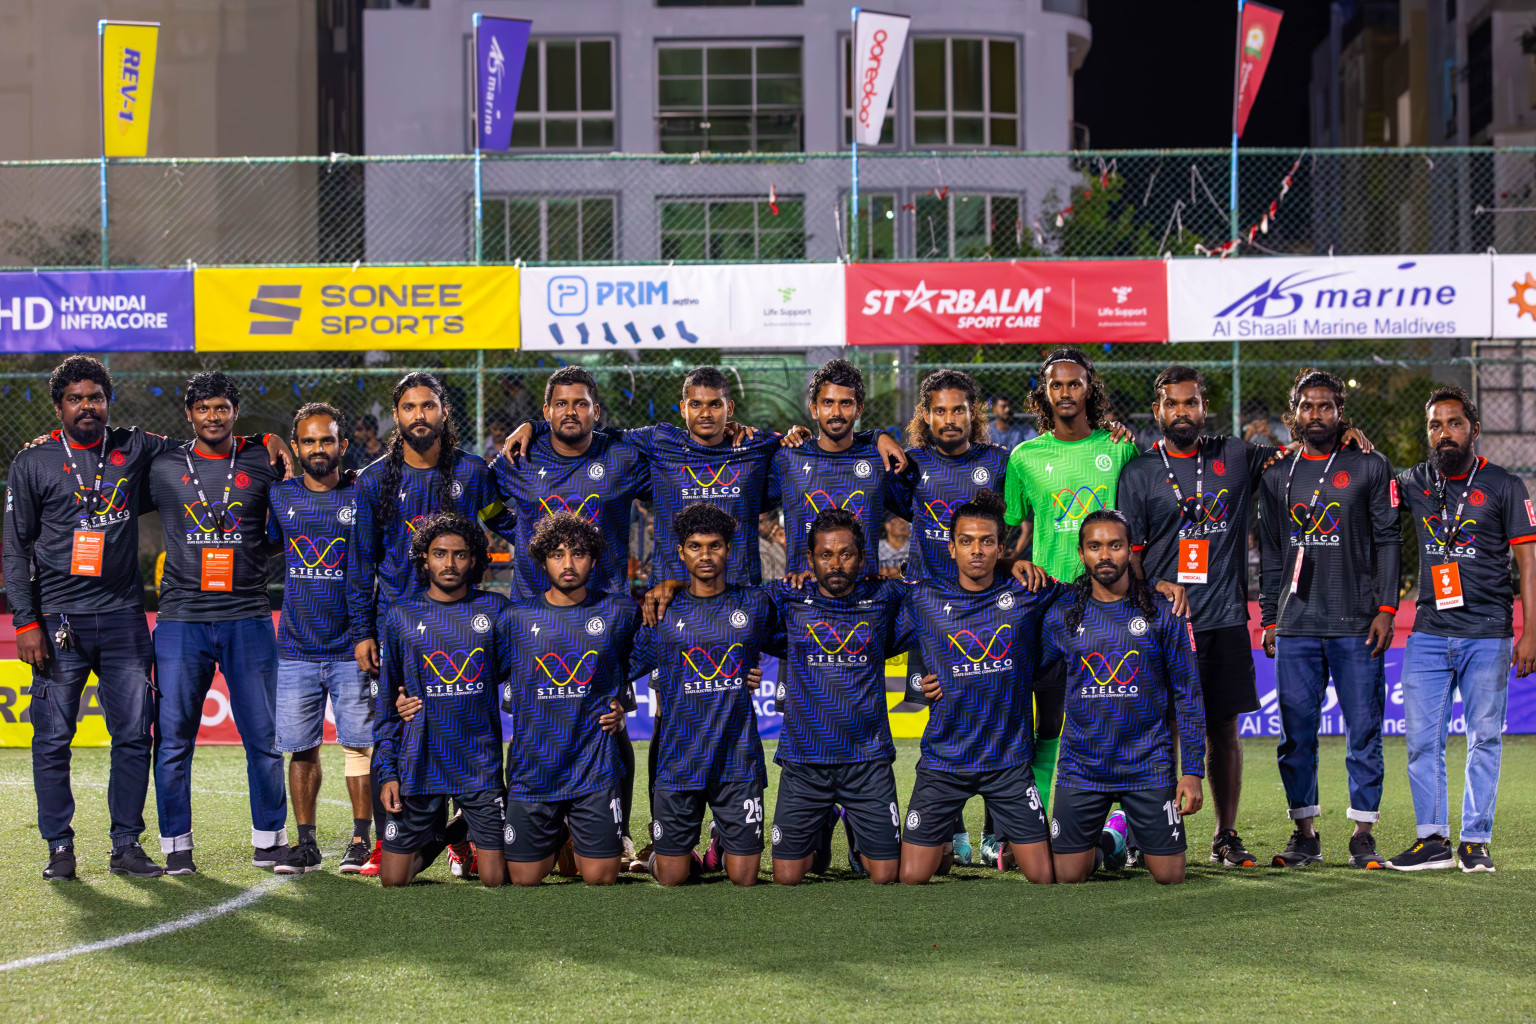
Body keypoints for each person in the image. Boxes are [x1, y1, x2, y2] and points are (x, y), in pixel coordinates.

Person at [3, 356, 285, 881]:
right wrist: (25, 621)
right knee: (52, 740)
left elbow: (209, 445)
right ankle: (59, 848)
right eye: (75, 398)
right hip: (60, 620)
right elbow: (15, 548)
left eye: (96, 396)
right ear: (59, 406)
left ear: (108, 401)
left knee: (134, 736)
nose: (87, 405)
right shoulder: (34, 462)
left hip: (125, 619)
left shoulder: (138, 447)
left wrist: (267, 438)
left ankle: (126, 845)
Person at [1118, 367, 1373, 869]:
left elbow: (1303, 455)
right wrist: (1144, 603)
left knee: (1223, 731)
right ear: (1158, 411)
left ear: (1204, 407)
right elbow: (1131, 555)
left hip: (1224, 618)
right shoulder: (1141, 471)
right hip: (1161, 625)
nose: (1182, 412)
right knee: (1158, 729)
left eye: (1190, 403)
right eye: (1172, 404)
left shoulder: (1235, 454)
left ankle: (1224, 834)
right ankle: (1150, 833)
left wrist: (1343, 434)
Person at [347, 372, 515, 877]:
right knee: (397, 723)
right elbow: (360, 561)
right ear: (396, 417)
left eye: (428, 406)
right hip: (399, 627)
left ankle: (463, 839)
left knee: (462, 723)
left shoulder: (473, 472)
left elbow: (502, 520)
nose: (418, 415)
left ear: (444, 413)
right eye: (408, 407)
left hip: (464, 621)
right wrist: (363, 630)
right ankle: (390, 839)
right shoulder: (373, 481)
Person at [1002, 348, 1178, 815]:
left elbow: (1139, 514)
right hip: (1050, 605)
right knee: (1046, 721)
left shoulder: (1118, 447)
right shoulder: (1023, 457)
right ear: (1044, 391)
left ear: (1089, 389)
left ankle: (1122, 824)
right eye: (1056, 384)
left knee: (1114, 711)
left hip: (1111, 604)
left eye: (1074, 383)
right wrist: (1011, 566)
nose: (1065, 392)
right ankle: (1027, 818)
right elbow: (1006, 527)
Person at [1386, 386, 1536, 873]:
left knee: (1484, 738)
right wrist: (1355, 444)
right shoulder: (1414, 481)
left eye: (1453, 423)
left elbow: (1528, 563)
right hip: (1428, 631)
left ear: (1473, 427)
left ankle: (1475, 841)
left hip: (1488, 631)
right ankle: (1431, 840)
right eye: (1435, 425)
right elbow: (1370, 487)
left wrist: (1530, 631)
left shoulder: (1505, 485)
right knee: (1421, 740)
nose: (1444, 432)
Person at [1258, 369, 1400, 869]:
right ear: (1293, 413)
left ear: (1341, 412)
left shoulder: (1368, 465)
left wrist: (1386, 608)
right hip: (1296, 625)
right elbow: (1274, 555)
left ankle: (1363, 834)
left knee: (1364, 729)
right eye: (1307, 407)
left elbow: (1389, 540)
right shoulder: (1277, 475)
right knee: (1295, 732)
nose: (1315, 415)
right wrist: (1270, 618)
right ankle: (1306, 835)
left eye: (1325, 407)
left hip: (1357, 622)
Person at [148, 371, 288, 874]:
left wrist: (272, 440)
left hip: (248, 615)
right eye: (204, 408)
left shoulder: (262, 460)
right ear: (189, 414)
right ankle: (176, 847)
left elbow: (285, 526)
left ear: (234, 411)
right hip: (182, 619)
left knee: (264, 738)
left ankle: (270, 842)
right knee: (172, 741)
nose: (213, 416)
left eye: (222, 408)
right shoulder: (162, 466)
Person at [884, 368, 1012, 864]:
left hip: (989, 610)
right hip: (932, 613)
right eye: (939, 410)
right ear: (926, 416)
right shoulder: (909, 464)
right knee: (940, 715)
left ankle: (996, 832)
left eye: (959, 409)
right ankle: (952, 830)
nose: (949, 418)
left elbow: (1016, 523)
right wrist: (877, 437)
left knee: (998, 712)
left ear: (973, 414)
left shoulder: (999, 463)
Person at [899, 490, 1056, 885]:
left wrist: (1156, 588)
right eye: (966, 541)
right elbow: (867, 633)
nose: (977, 550)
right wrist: (921, 680)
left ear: (1001, 547)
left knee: (1045, 875)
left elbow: (1093, 599)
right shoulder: (923, 599)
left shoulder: (1028, 594)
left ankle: (988, 840)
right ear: (951, 548)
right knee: (911, 877)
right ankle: (946, 846)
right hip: (944, 762)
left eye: (987, 541)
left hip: (1008, 763)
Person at [1042, 510, 1206, 885]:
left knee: (1170, 876)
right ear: (1081, 553)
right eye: (1094, 546)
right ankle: (1113, 838)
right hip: (1082, 765)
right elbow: (1024, 672)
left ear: (1131, 552)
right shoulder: (1062, 614)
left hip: (1146, 764)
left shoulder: (1165, 610)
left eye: (1114, 546)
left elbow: (1189, 694)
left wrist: (1193, 771)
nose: (1105, 555)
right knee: (1068, 876)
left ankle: (1126, 825)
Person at [632, 504, 775, 886]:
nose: (706, 555)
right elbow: (619, 666)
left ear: (729, 550)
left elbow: (804, 632)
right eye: (695, 547)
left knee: (744, 878)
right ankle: (677, 854)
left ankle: (719, 841)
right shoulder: (661, 612)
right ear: (681, 553)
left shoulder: (757, 603)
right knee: (672, 878)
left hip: (737, 758)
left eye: (715, 546)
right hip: (680, 760)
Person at [500, 513, 640, 886]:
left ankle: (581, 833)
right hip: (535, 769)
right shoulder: (515, 617)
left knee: (601, 878)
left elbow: (656, 653)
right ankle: (560, 833)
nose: (567, 563)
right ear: (543, 560)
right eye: (557, 554)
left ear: (593, 560)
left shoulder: (619, 611)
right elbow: (480, 673)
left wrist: (618, 703)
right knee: (523, 879)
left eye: (578, 554)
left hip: (593, 766)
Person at [265, 403, 374, 875]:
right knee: (301, 747)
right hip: (296, 648)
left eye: (326, 440)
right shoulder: (279, 496)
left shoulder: (361, 494)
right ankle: (306, 844)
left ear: (341, 446)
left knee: (358, 746)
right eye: (308, 441)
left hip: (352, 646)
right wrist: (265, 440)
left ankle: (360, 839)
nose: (318, 449)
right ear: (297, 447)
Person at [373, 514, 510, 887]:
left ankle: (473, 820)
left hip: (478, 760)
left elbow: (517, 676)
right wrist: (387, 772)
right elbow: (387, 705)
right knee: (393, 881)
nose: (449, 564)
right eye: (439, 554)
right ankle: (441, 835)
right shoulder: (400, 615)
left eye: (460, 555)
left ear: (475, 560)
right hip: (421, 759)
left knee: (496, 880)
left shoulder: (497, 611)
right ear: (424, 559)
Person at [776, 359, 908, 575]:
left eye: (845, 403)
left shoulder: (879, 459)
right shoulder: (788, 457)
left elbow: (923, 512)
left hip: (865, 595)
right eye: (827, 402)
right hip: (803, 596)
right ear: (814, 409)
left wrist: (876, 435)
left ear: (858, 410)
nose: (836, 412)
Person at [758, 510, 786, 582]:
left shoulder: (788, 537)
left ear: (775, 520)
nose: (758, 527)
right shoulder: (758, 542)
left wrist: (784, 545)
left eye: (761, 522)